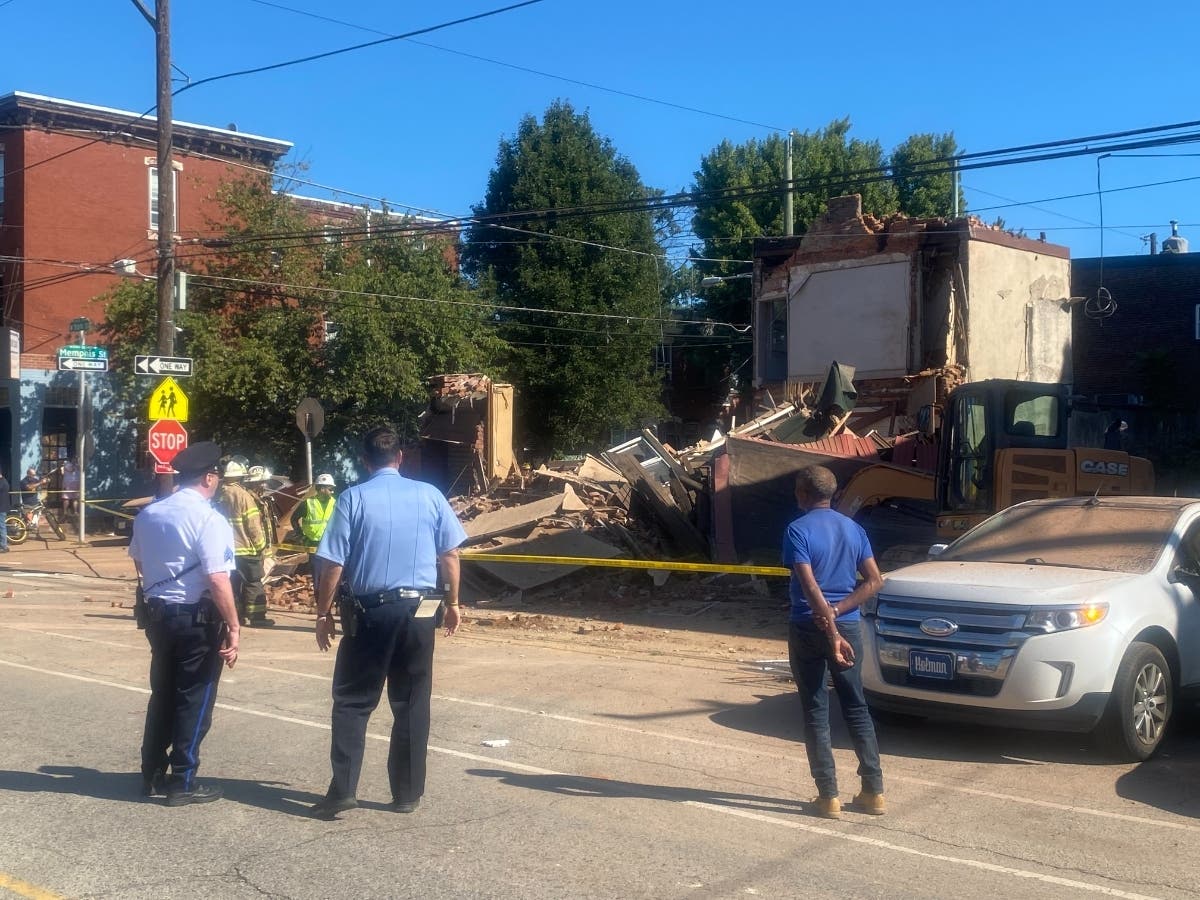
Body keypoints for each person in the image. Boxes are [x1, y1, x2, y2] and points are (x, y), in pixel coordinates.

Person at [308, 425, 467, 820]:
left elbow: (333, 563)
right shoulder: (429, 495)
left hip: (372, 612)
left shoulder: (353, 498)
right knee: (412, 702)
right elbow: (450, 555)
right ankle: (407, 794)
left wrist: (323, 612)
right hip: (420, 613)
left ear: (365, 462)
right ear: (400, 458)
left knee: (352, 701)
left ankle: (344, 789)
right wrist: (453, 602)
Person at [129, 441, 239, 806]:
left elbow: (140, 564)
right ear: (209, 477)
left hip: (159, 618)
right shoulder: (210, 519)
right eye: (217, 476)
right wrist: (234, 626)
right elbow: (218, 578)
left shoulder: (150, 514)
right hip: (197, 620)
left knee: (162, 693)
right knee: (194, 697)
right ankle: (183, 780)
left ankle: (150, 773)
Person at [783, 464, 885, 820]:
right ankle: (873, 792)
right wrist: (840, 612)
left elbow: (810, 587)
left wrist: (829, 624)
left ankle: (828, 797)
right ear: (833, 493)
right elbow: (875, 581)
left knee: (815, 709)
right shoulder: (854, 529)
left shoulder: (797, 530)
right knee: (856, 706)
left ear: (802, 495)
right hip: (849, 625)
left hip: (808, 626)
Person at [214, 458, 273, 627]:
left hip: (227, 550)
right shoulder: (244, 496)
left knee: (233, 584)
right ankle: (257, 617)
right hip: (246, 548)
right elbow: (253, 526)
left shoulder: (220, 493)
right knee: (253, 582)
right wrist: (262, 547)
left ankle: (236, 616)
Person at [291, 473, 337, 596]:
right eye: (330, 489)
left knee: (331, 577)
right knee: (318, 579)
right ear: (321, 489)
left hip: (331, 545)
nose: (332, 491)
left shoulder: (335, 503)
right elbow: (293, 519)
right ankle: (321, 609)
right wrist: (301, 536)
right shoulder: (308, 504)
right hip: (314, 545)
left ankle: (330, 606)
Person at [0, 469, 9, 553]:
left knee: (1, 527)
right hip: (2, 507)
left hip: (1, 508)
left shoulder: (2, 482)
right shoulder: (3, 481)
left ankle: (4, 546)